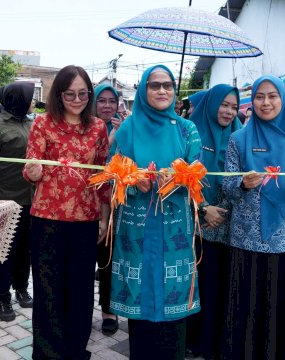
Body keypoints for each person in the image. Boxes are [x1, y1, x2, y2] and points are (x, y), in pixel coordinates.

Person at [108, 65, 201, 360]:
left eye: (168, 86)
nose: (162, 91)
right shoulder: (127, 129)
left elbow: (197, 171)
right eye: (154, 85)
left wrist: (175, 179)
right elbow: (112, 174)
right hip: (136, 229)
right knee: (141, 307)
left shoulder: (187, 130)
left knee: (173, 310)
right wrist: (135, 182)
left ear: (175, 92)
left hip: (173, 228)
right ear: (143, 91)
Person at [222, 75, 285, 360]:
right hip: (247, 238)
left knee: (282, 302)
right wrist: (242, 183)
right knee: (247, 303)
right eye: (259, 96)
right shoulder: (238, 138)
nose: (266, 102)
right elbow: (226, 185)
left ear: (282, 99)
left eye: (272, 96)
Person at [23, 65, 109, 359]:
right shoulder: (42, 124)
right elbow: (30, 170)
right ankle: (48, 353)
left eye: (83, 93)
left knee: (82, 289)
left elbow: (101, 176)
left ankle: (75, 350)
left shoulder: (98, 127)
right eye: (70, 93)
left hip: (85, 219)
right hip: (47, 219)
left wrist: (104, 216)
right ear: (59, 95)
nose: (76, 99)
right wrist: (33, 171)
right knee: (48, 289)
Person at [185, 84, 242, 359]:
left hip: (227, 225)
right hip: (194, 223)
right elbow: (182, 174)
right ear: (212, 104)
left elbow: (242, 179)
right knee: (195, 284)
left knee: (219, 286)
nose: (230, 111)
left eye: (234, 106)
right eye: (224, 105)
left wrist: (223, 211)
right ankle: (191, 339)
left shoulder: (240, 137)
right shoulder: (191, 132)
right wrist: (204, 207)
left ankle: (212, 342)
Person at [0, 82, 36, 322]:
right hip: (4, 201)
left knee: (25, 251)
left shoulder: (32, 124)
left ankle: (21, 289)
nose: (33, 101)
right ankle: (3, 298)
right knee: (4, 254)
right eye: (30, 97)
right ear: (18, 99)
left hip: (31, 201)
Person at [92, 83, 123, 335]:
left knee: (108, 260)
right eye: (101, 100)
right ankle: (79, 310)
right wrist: (109, 138)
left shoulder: (125, 130)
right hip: (86, 203)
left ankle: (108, 311)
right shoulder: (86, 129)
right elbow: (94, 165)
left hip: (116, 204)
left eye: (111, 101)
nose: (107, 106)